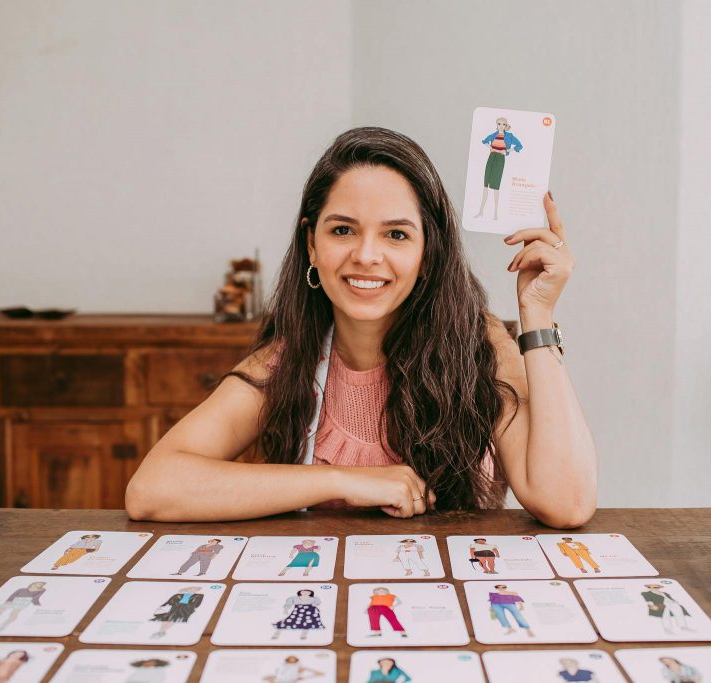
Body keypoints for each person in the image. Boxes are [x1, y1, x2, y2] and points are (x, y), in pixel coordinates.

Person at [125, 127, 596, 526]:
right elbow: (151, 489)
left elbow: (566, 502)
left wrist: (537, 313)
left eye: (396, 234)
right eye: (343, 230)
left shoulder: (480, 346)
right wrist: (346, 481)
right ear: (312, 245)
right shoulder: (288, 362)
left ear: (427, 252)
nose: (367, 255)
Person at [473, 116, 523, 220]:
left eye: (503, 124)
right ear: (497, 125)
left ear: (506, 126)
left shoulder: (509, 136)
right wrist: (490, 147)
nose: (501, 126)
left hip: (500, 159)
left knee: (496, 186)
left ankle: (495, 212)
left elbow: (519, 145)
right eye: (499, 124)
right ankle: (481, 211)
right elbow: (484, 141)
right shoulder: (494, 135)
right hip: (491, 158)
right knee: (485, 184)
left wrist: (506, 151)